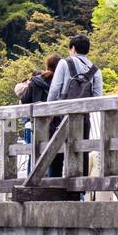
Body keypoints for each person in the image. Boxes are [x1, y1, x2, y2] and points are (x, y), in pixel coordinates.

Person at [46, 35, 102, 179]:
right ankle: (79, 190)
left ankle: (56, 187)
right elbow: (97, 98)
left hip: (61, 117)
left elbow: (54, 90)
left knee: (56, 153)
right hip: (83, 118)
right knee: (80, 152)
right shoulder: (95, 70)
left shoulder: (64, 63)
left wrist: (47, 111)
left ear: (73, 49)